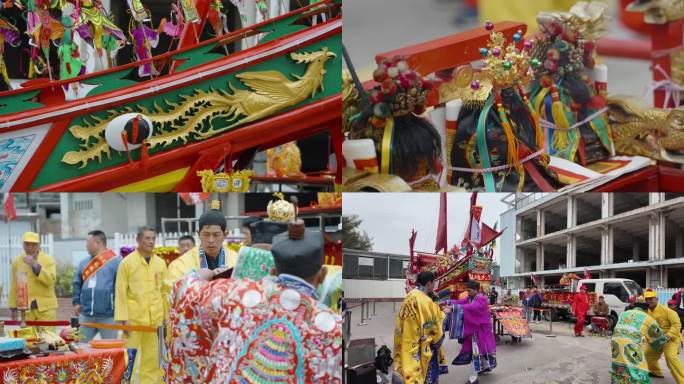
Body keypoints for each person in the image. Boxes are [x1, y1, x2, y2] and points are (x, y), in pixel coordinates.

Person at [166, 220, 342, 383]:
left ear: (273, 270)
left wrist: (201, 275)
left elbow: (184, 291)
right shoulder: (334, 328)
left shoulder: (233, 294)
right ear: (323, 274)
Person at [114, 226, 168, 384]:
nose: (151, 242)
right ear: (138, 240)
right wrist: (123, 319)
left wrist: (165, 316)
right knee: (128, 358)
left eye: (153, 238)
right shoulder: (127, 263)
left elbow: (164, 292)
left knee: (152, 361)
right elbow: (120, 291)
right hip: (133, 321)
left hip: (155, 321)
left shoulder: (160, 263)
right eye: (147, 238)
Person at [165, 200, 238, 298]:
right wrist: (194, 277)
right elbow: (170, 293)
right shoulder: (180, 264)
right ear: (198, 234)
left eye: (216, 235)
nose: (211, 240)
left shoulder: (237, 260)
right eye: (206, 234)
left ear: (225, 235)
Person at [393, 271, 446, 384]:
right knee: (425, 374)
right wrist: (442, 313)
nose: (434, 285)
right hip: (421, 346)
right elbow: (435, 325)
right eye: (434, 283)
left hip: (407, 340)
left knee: (409, 369)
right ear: (428, 284)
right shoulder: (426, 302)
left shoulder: (410, 295)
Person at [72, 230, 121, 341]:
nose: (86, 245)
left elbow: (121, 288)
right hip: (86, 315)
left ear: (98, 243)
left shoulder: (115, 262)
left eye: (88, 242)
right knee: (80, 346)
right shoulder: (83, 263)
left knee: (110, 350)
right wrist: (76, 302)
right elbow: (76, 283)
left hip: (108, 316)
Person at [447, 280, 497, 383]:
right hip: (475, 329)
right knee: (480, 352)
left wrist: (453, 308)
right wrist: (448, 302)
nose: (468, 293)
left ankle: (473, 379)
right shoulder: (471, 297)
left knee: (476, 353)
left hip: (482, 331)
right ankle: (485, 367)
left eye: (469, 291)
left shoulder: (481, 299)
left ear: (476, 290)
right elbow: (461, 302)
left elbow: (472, 307)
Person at [611, 300, 668, 383]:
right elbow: (657, 335)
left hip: (615, 341)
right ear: (646, 309)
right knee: (638, 364)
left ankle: (619, 380)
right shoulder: (647, 317)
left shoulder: (624, 313)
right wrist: (664, 340)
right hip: (631, 344)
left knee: (619, 360)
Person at [8, 232, 57, 328]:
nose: (30, 247)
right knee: (29, 340)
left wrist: (35, 264)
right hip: (26, 310)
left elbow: (51, 281)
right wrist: (13, 307)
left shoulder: (48, 260)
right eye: (27, 244)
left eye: (33, 244)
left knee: (47, 339)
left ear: (39, 245)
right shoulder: (17, 261)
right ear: (23, 245)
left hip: (46, 308)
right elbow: (14, 285)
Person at [644, 289, 684, 383]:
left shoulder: (668, 311)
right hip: (657, 339)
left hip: (670, 339)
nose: (649, 301)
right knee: (648, 355)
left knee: (670, 357)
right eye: (647, 299)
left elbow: (676, 325)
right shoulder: (646, 311)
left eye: (651, 298)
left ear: (656, 299)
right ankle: (656, 372)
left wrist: (668, 335)